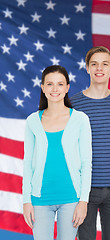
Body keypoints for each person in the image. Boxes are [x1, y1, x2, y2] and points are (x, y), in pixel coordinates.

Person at [22, 65, 92, 240]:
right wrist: (26, 201)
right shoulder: (32, 121)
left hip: (71, 198)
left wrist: (83, 201)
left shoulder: (80, 119)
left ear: (67, 88)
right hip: (39, 199)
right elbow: (27, 163)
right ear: (43, 87)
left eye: (60, 84)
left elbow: (86, 163)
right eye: (50, 84)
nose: (55, 89)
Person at [70, 46, 110, 240]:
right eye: (94, 64)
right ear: (87, 68)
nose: (99, 68)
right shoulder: (73, 104)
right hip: (83, 192)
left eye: (105, 64)